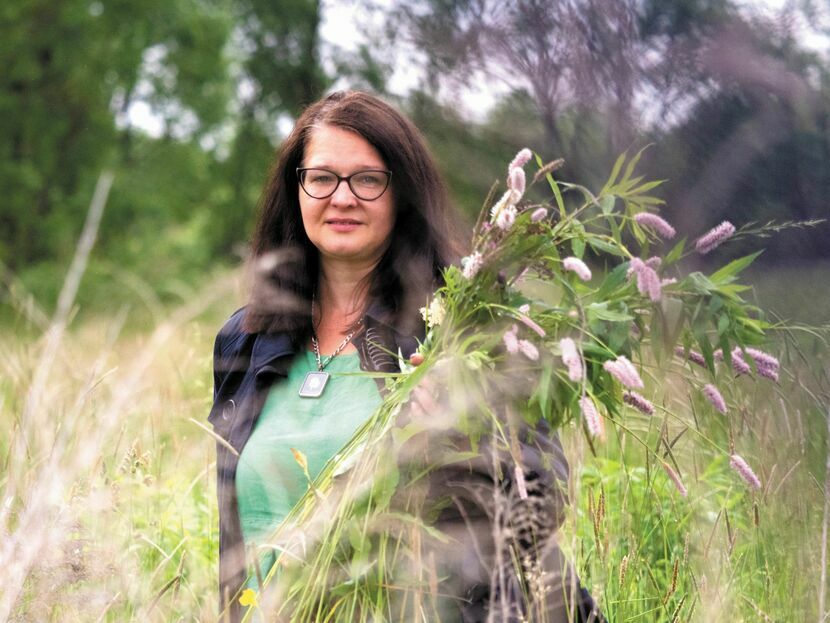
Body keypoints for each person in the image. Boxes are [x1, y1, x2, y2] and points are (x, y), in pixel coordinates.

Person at [208, 90, 603, 622]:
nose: (342, 198)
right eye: (322, 178)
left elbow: (540, 496)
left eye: (368, 179)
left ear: (403, 193)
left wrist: (457, 440)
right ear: (295, 189)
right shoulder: (247, 338)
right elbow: (235, 538)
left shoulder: (464, 327)